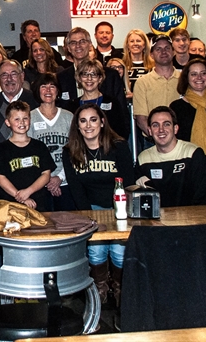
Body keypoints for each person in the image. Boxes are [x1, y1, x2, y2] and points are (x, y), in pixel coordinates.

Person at [63, 103, 134, 305]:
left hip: (118, 207)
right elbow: (76, 188)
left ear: (102, 122)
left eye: (93, 120)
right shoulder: (70, 151)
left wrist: (121, 212)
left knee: (119, 253)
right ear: (77, 126)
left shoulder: (118, 146)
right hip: (91, 209)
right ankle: (99, 292)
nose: (88, 125)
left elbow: (128, 181)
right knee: (96, 252)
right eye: (83, 121)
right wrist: (90, 217)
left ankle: (121, 292)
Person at [135, 107, 206, 206]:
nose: (161, 130)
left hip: (191, 218)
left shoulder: (192, 153)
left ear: (175, 129)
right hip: (157, 219)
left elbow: (201, 197)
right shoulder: (143, 159)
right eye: (155, 125)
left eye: (166, 124)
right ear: (149, 131)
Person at [0, 101, 56, 211]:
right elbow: (0, 178)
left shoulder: (39, 146)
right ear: (7, 122)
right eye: (17, 119)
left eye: (25, 118)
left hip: (38, 203)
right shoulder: (1, 149)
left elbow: (46, 174)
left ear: (30, 120)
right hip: (11, 205)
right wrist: (20, 197)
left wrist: (28, 192)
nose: (22, 122)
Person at [28, 73, 74, 210]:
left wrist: (59, 178)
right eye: (43, 86)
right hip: (38, 184)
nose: (48, 91)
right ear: (37, 90)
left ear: (58, 91)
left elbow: (76, 151)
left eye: (52, 86)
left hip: (66, 182)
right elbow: (27, 152)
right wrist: (46, 180)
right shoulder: (29, 117)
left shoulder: (68, 117)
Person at [0, 60, 39, 160]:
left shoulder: (35, 100)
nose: (9, 79)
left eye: (13, 74)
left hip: (31, 164)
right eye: (4, 75)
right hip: (0, 165)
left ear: (22, 76)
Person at [58, 27, 125, 112]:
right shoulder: (61, 78)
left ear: (90, 44)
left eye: (82, 41)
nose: (78, 46)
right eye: (73, 42)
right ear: (68, 48)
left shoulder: (111, 75)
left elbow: (122, 111)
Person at [132, 34, 180, 135]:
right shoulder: (142, 83)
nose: (163, 52)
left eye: (167, 48)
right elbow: (141, 118)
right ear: (151, 54)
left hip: (182, 139)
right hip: (152, 142)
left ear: (173, 52)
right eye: (158, 49)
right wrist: (159, 137)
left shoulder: (184, 79)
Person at [77, 59, 131, 139]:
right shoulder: (72, 105)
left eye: (94, 74)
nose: (89, 78)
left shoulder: (113, 103)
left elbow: (122, 131)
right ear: (79, 78)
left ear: (100, 78)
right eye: (85, 74)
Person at [121, 29, 153, 95]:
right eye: (132, 41)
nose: (135, 44)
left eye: (138, 41)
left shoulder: (153, 65)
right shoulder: (121, 65)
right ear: (127, 45)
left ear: (144, 45)